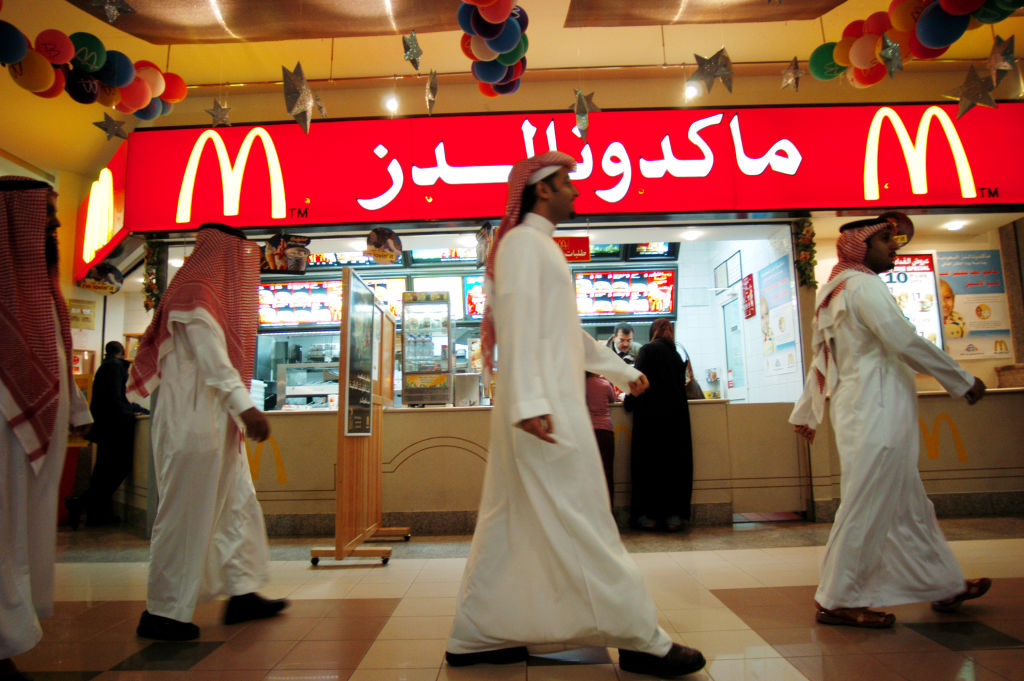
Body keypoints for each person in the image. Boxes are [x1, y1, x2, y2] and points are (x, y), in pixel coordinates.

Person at [445, 152, 705, 678]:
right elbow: (516, 323)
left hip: (538, 408)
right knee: (586, 516)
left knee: (510, 523)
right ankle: (640, 638)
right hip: (543, 414)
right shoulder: (523, 245)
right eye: (567, 183)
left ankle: (476, 634)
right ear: (542, 191)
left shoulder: (536, 246)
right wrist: (528, 401)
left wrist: (620, 368)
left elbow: (565, 333)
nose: (576, 192)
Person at [789, 214, 990, 629]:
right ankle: (839, 597)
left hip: (870, 410)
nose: (894, 246)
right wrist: (962, 379)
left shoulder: (837, 289)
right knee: (867, 504)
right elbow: (903, 339)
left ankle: (943, 584)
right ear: (860, 246)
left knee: (909, 506)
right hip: (874, 413)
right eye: (885, 240)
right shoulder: (862, 286)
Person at [127, 223, 287, 641]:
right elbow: (213, 359)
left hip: (216, 422)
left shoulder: (204, 294)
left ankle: (242, 590)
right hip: (192, 423)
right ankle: (162, 612)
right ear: (224, 257)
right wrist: (245, 406)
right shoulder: (197, 293)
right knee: (184, 515)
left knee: (238, 507)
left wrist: (236, 411)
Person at [1, 178, 93, 681]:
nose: (56, 229)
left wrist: (75, 412)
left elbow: (53, 354)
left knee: (16, 535)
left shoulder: (39, 290)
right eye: (48, 220)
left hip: (24, 443)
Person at [65, 341, 148, 529]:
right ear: (123, 351)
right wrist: (134, 411)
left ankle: (94, 513)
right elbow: (118, 398)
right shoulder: (115, 368)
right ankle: (81, 504)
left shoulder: (104, 368)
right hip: (116, 428)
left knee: (103, 471)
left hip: (105, 427)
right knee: (118, 468)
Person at [623, 318, 694, 531]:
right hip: (677, 421)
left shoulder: (647, 351)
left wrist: (628, 403)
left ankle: (649, 516)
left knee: (649, 466)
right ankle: (674, 517)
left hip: (650, 420)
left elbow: (638, 382)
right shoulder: (679, 353)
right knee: (675, 465)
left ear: (652, 332)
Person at [585, 371, 618, 506]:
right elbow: (613, 399)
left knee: (588, 474)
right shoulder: (604, 384)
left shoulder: (579, 385)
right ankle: (608, 509)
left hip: (586, 432)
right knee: (606, 473)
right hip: (604, 432)